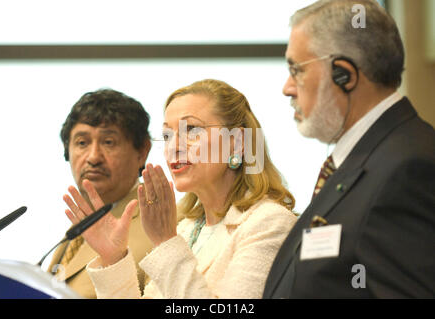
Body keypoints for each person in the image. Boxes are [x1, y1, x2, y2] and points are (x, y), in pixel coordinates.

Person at [62, 79, 298, 298]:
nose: (174, 146)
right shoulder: (185, 229)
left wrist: (166, 243)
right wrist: (113, 258)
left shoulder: (270, 224)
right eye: (167, 135)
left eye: (192, 130)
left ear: (236, 142)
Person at [263, 0, 435, 298]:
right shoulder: (367, 156)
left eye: (296, 69)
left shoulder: (408, 168)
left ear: (344, 75)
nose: (287, 87)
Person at [47, 89, 154, 298]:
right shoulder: (81, 225)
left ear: (142, 152)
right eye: (82, 143)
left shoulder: (162, 226)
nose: (94, 157)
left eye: (108, 142)